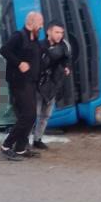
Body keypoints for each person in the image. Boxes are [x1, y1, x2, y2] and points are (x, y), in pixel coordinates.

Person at [0, 11, 44, 161]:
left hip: (31, 82)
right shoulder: (19, 36)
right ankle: (6, 145)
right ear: (30, 23)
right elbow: (4, 50)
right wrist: (19, 63)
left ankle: (20, 148)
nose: (41, 26)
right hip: (19, 82)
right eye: (40, 23)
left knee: (31, 117)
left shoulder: (35, 39)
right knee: (28, 115)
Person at [31, 21, 71, 150]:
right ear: (49, 32)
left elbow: (66, 62)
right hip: (38, 85)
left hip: (52, 85)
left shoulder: (64, 47)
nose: (59, 35)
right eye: (57, 32)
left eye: (61, 33)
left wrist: (65, 68)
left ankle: (37, 139)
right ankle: (23, 141)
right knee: (32, 115)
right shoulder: (39, 46)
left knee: (46, 115)